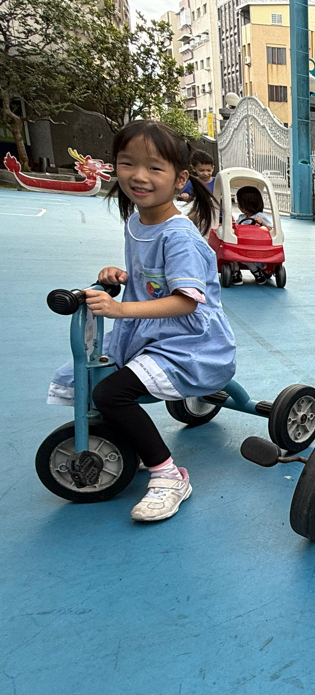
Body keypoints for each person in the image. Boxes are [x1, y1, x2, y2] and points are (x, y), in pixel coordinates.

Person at [47, 120, 236, 522]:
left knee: (111, 394)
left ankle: (168, 475)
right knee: (91, 376)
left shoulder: (178, 236)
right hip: (148, 332)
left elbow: (185, 302)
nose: (138, 176)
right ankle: (126, 440)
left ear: (180, 179)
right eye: (127, 163)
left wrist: (120, 310)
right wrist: (119, 276)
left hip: (188, 342)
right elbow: (151, 279)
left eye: (154, 167)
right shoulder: (137, 221)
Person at [234, 185, 274, 284]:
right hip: (242, 244)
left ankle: (255, 271)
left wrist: (262, 223)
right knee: (232, 253)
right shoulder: (241, 217)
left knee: (244, 257)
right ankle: (235, 271)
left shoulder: (259, 216)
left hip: (256, 246)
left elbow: (270, 230)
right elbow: (235, 228)